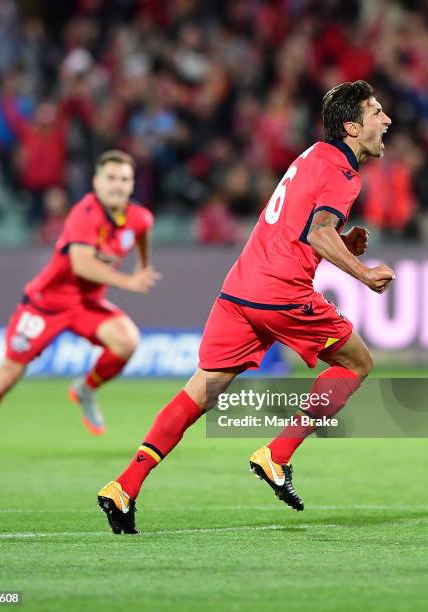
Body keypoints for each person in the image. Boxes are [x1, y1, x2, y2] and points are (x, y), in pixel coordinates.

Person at [96, 80, 396, 535]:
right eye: (376, 113)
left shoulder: (313, 156)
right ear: (353, 127)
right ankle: (278, 454)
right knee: (357, 363)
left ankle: (124, 485)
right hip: (281, 292)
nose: (386, 120)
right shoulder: (344, 172)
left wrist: (342, 245)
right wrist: (363, 271)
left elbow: (303, 229)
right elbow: (317, 232)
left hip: (240, 290)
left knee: (201, 391)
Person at [0, 150, 160, 463]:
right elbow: (82, 265)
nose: (117, 185)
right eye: (111, 178)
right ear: (96, 182)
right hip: (45, 305)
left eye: (124, 179)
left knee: (127, 341)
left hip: (86, 304)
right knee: (7, 376)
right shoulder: (84, 213)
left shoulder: (140, 217)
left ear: (132, 185)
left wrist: (144, 265)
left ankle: (85, 389)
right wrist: (129, 281)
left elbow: (142, 232)